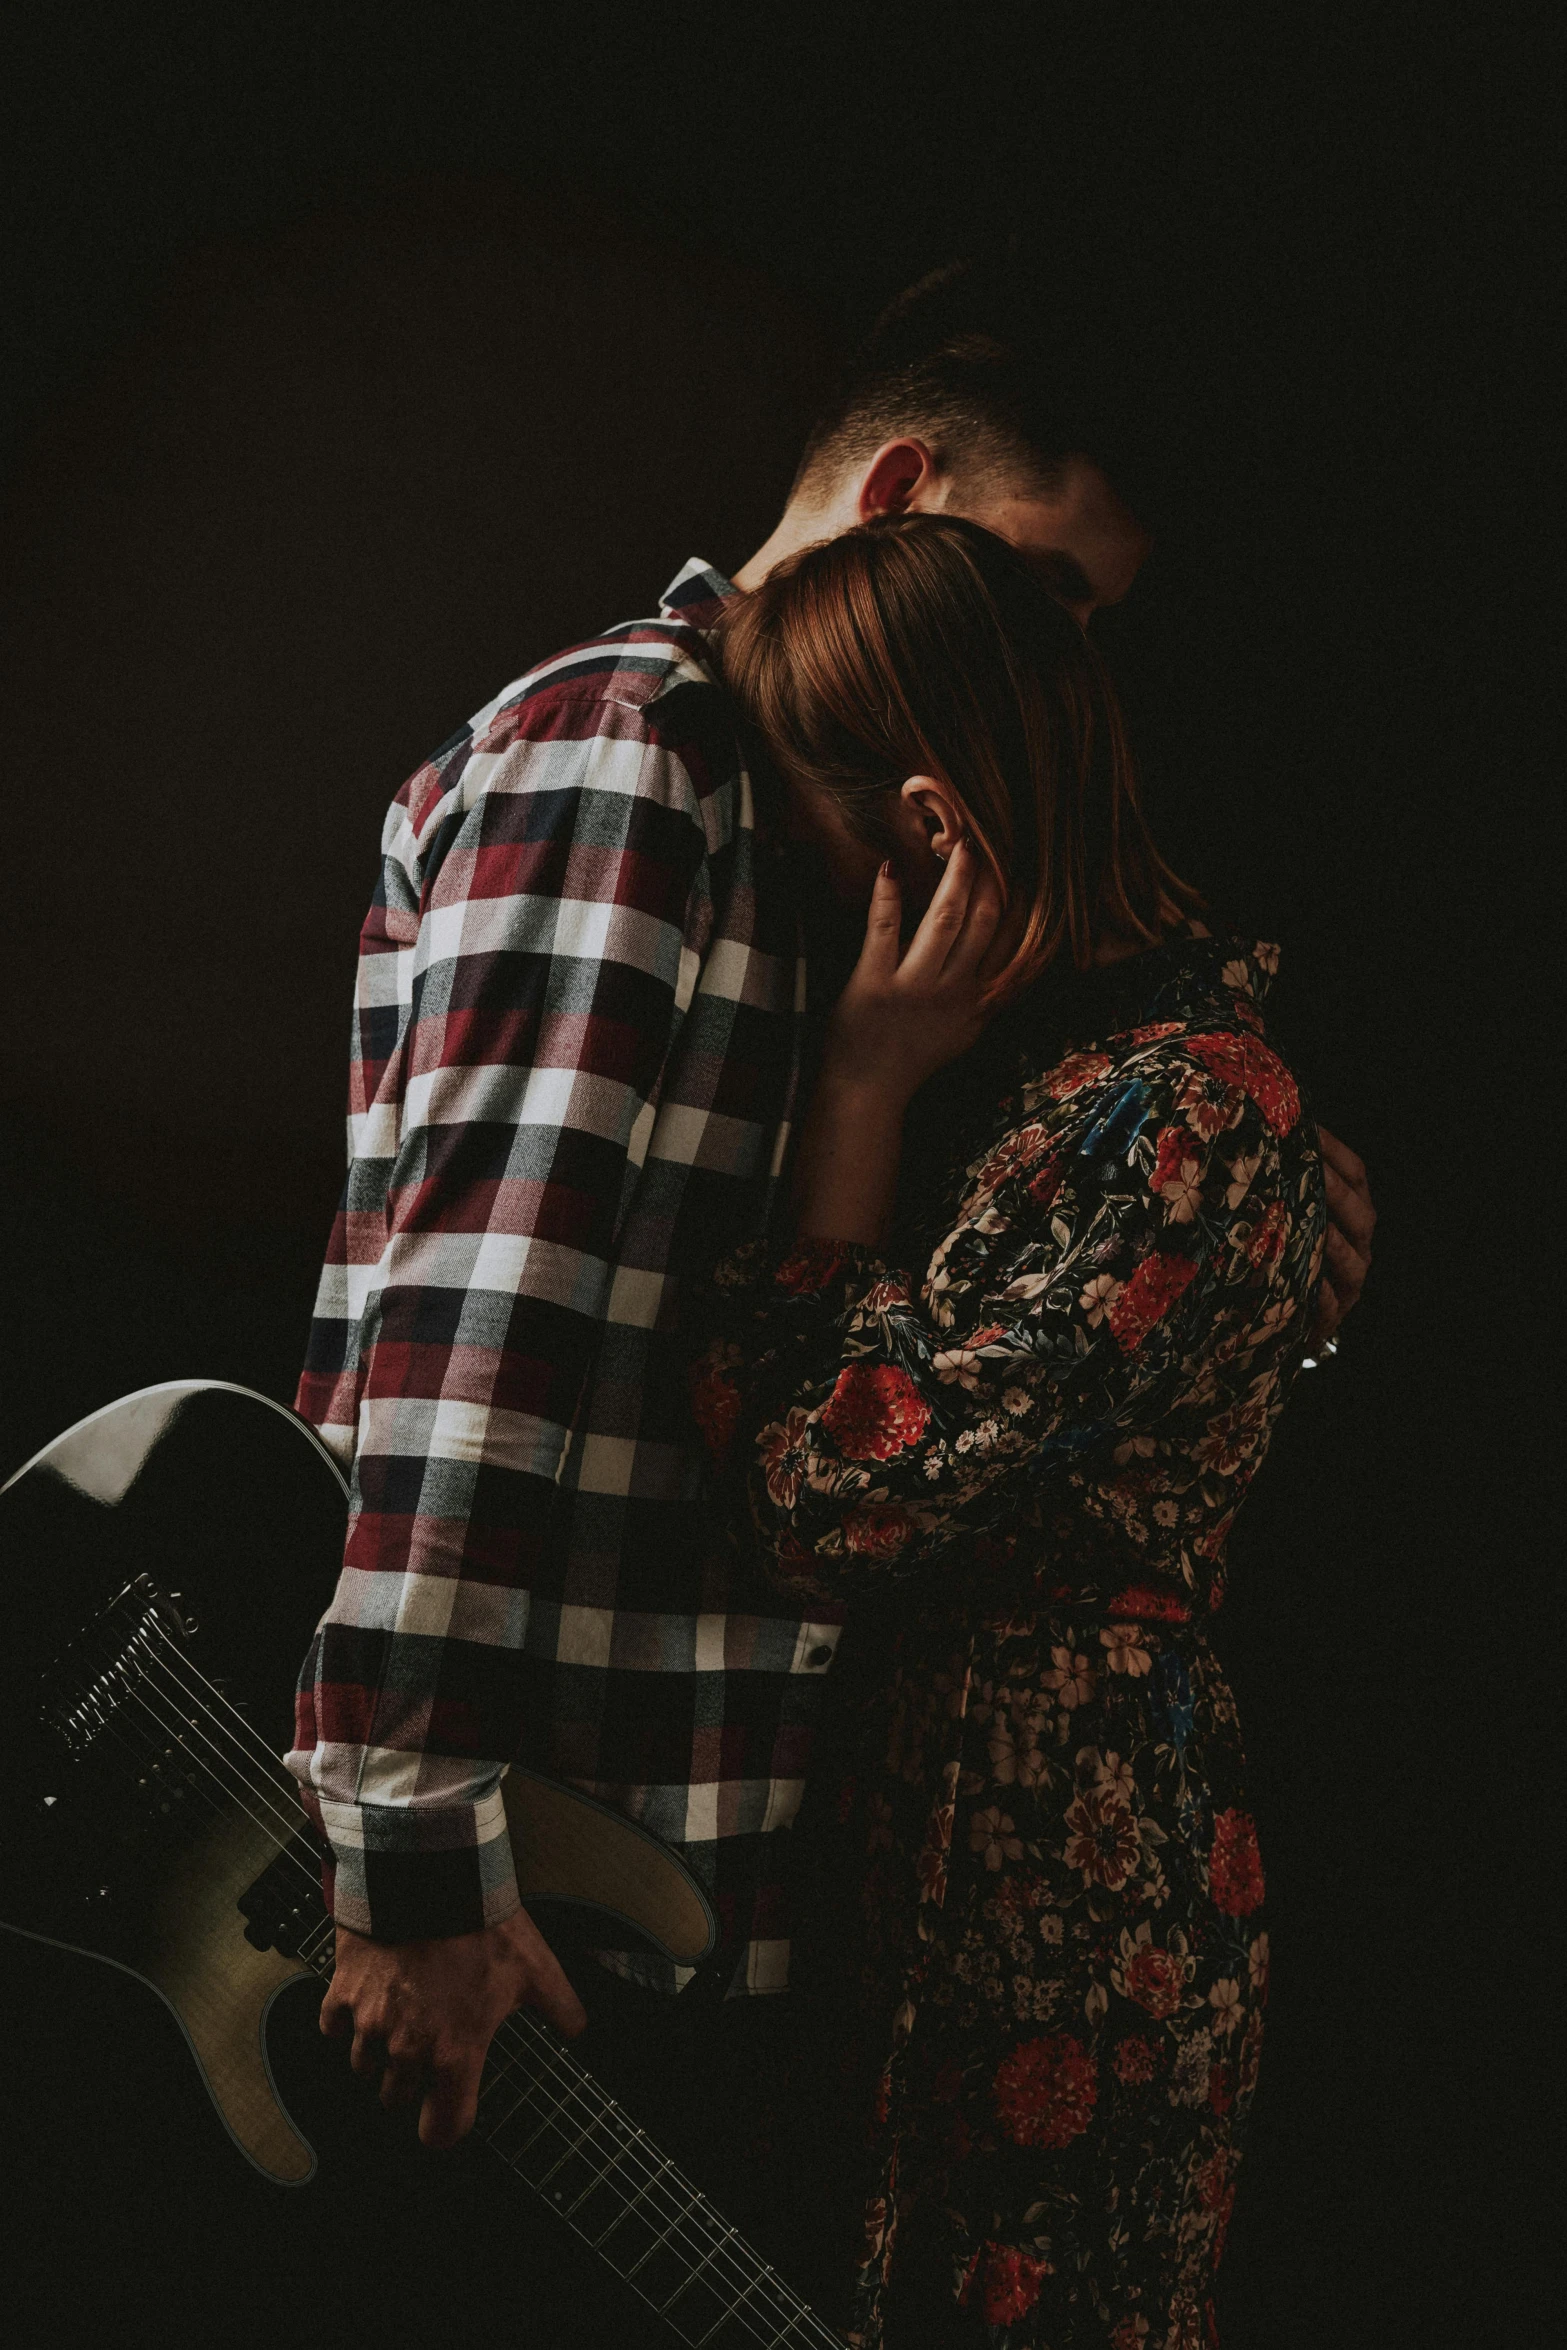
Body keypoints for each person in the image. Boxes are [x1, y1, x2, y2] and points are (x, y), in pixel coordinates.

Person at [282, 260, 1373, 2260]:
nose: (1061, 670)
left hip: (698, 1856)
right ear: (891, 507)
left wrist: (1258, 1234)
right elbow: (475, 1323)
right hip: (536, 1853)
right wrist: (416, 1846)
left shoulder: (829, 836)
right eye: (1043, 592)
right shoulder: (643, 755)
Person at [692, 510, 1322, 2343]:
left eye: (801, 826)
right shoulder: (1082, 1084)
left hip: (1067, 1871)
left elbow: (826, 1503)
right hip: (976, 1835)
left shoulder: (1169, 1114)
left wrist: (861, 1093)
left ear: (925, 832)